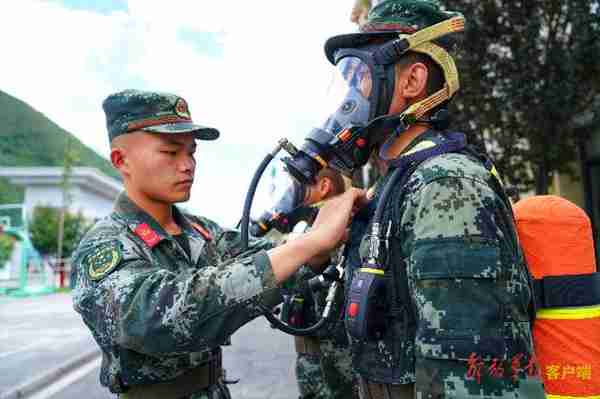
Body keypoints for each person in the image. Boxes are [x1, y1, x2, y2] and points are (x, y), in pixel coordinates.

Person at [306, 0, 546, 397]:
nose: (349, 99)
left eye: (360, 78)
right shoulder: (393, 185)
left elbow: (472, 380)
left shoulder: (445, 184)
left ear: (412, 81)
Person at [71, 89, 365, 399]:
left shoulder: (202, 232)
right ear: (121, 160)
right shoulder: (105, 246)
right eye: (171, 153)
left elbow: (273, 262)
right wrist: (310, 243)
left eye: (191, 152)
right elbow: (159, 320)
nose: (187, 165)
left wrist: (322, 245)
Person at [278, 168, 359, 399]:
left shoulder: (349, 232)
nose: (290, 195)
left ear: (324, 186)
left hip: (343, 376)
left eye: (297, 186)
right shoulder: (309, 231)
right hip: (312, 371)